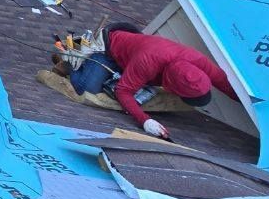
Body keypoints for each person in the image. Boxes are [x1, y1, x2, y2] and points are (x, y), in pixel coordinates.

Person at [52, 23, 238, 140]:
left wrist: (257, 110)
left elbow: (223, 81)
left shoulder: (197, 61)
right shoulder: (149, 63)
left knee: (122, 80)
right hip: (108, 49)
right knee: (87, 88)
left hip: (133, 55)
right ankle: (71, 60)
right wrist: (145, 121)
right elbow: (123, 91)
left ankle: (106, 69)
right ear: (174, 86)